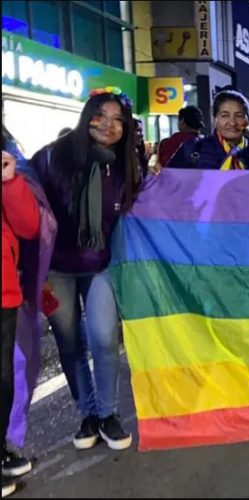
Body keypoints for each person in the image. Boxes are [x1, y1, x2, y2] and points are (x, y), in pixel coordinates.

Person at [31, 87, 142, 451]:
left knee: (104, 339)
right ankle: (88, 414)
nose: (109, 125)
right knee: (69, 343)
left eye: (118, 120)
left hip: (100, 267)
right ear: (86, 117)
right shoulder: (51, 158)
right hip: (55, 271)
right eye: (101, 115)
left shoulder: (125, 167)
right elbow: (27, 206)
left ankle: (108, 414)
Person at [2, 138, 40, 498]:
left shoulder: (9, 166)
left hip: (4, 291)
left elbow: (28, 226)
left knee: (4, 379)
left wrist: (10, 181)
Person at [167, 90, 249, 170]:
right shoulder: (192, 149)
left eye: (239, 116)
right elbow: (168, 180)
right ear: (215, 119)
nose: (232, 123)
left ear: (247, 121)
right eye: (224, 115)